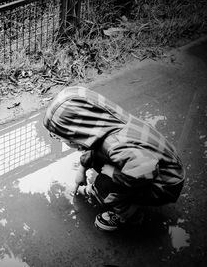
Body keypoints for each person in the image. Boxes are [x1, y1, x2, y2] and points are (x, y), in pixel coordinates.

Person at [43, 86, 185, 231]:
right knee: (103, 162)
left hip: (165, 183)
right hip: (157, 164)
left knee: (106, 187)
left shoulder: (115, 145)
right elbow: (95, 147)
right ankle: (124, 195)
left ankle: (129, 214)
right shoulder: (107, 125)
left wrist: (113, 174)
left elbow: (146, 171)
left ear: (75, 135)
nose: (66, 143)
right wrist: (82, 169)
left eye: (64, 139)